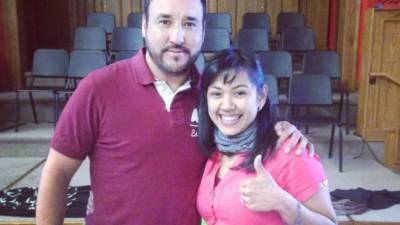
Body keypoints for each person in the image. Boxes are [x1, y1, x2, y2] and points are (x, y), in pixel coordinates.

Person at [36, 0, 312, 224]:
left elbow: (248, 123)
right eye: (165, 21)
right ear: (144, 25)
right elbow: (57, 172)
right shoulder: (98, 88)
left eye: (190, 23)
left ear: (204, 30)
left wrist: (283, 128)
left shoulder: (212, 98)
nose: (177, 37)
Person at [197, 48, 337, 225]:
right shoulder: (213, 148)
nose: (226, 105)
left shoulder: (290, 151)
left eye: (239, 93)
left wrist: (282, 202)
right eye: (216, 94)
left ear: (261, 96)